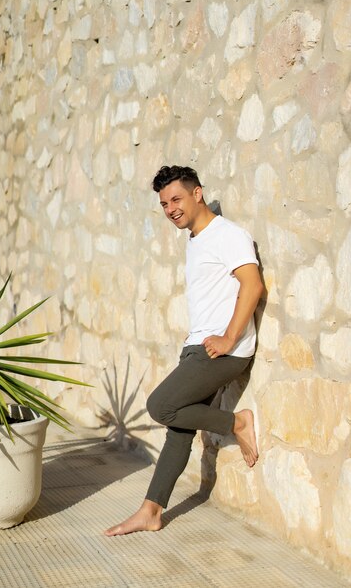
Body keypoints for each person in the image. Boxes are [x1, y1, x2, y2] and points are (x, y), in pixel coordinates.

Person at [104, 165, 263, 537]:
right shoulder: (194, 239)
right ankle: (151, 511)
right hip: (197, 347)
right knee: (178, 429)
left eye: (176, 198)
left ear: (197, 193)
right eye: (163, 204)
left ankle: (237, 423)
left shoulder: (228, 235)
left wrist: (228, 338)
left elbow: (252, 286)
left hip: (224, 350)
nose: (170, 208)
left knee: (161, 406)